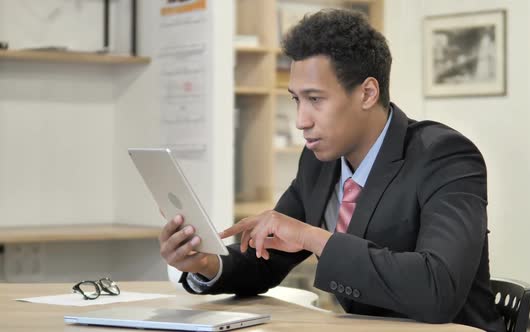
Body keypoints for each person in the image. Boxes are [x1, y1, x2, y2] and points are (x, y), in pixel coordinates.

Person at [159, 9, 505, 332]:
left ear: (368, 93)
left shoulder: (445, 156)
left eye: (315, 99)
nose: (301, 121)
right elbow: (267, 259)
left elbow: (437, 290)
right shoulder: (318, 163)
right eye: (296, 99)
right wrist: (207, 263)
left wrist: (311, 236)